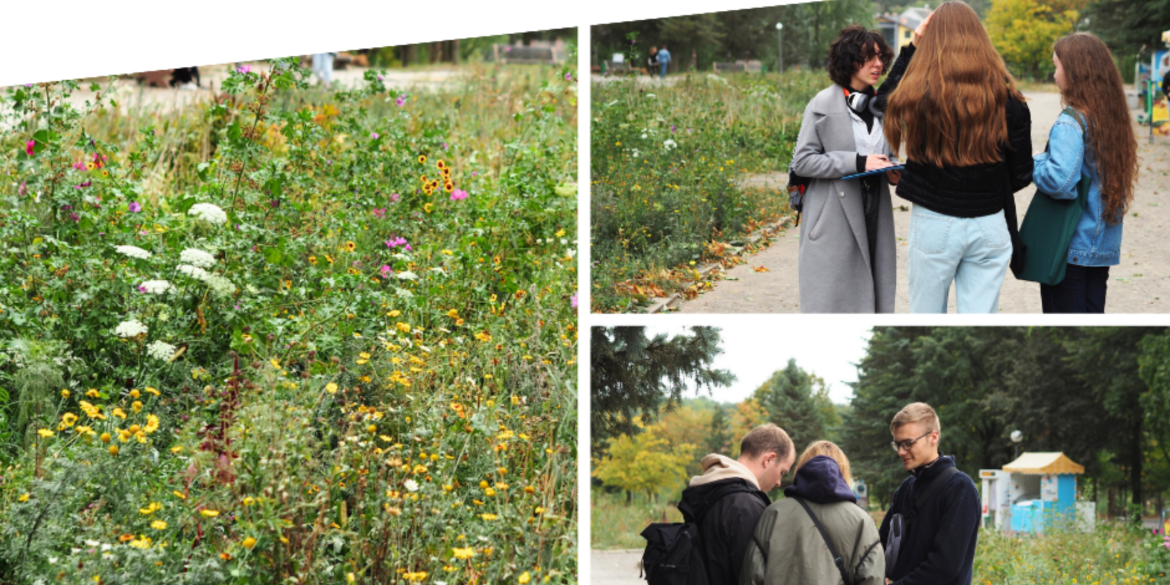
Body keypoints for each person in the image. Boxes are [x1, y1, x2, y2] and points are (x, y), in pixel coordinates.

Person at [880, 1, 1033, 313]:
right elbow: (1021, 174)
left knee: (926, 319)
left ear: (931, 41)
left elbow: (878, 105)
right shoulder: (1011, 103)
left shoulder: (919, 96)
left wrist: (912, 48)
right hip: (990, 223)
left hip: (934, 222)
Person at [792, 25, 899, 313]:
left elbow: (885, 153)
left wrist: (892, 171)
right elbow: (802, 161)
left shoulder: (882, 106)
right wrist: (857, 162)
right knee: (832, 299)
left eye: (880, 57)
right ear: (850, 60)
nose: (878, 64)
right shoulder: (822, 104)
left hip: (875, 206)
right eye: (869, 57)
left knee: (875, 292)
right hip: (833, 211)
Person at [1032, 33, 1139, 313]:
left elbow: (1060, 182)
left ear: (1075, 71)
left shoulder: (1072, 121)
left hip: (1070, 247)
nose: (1054, 75)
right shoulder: (1112, 120)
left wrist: (1035, 162)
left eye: (1057, 67)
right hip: (1102, 248)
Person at [741, 441, 885, 585]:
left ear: (802, 468)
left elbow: (752, 577)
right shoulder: (862, 520)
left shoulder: (773, 515)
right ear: (843, 471)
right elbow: (872, 579)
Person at [678, 424, 795, 585]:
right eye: (782, 472)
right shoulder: (746, 506)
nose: (778, 482)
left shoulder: (711, 489)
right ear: (768, 459)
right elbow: (751, 575)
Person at [879, 403, 980, 585]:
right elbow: (882, 542)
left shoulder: (960, 488)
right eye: (898, 445)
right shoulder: (906, 488)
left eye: (908, 443)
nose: (901, 452)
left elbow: (944, 566)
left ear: (933, 437)